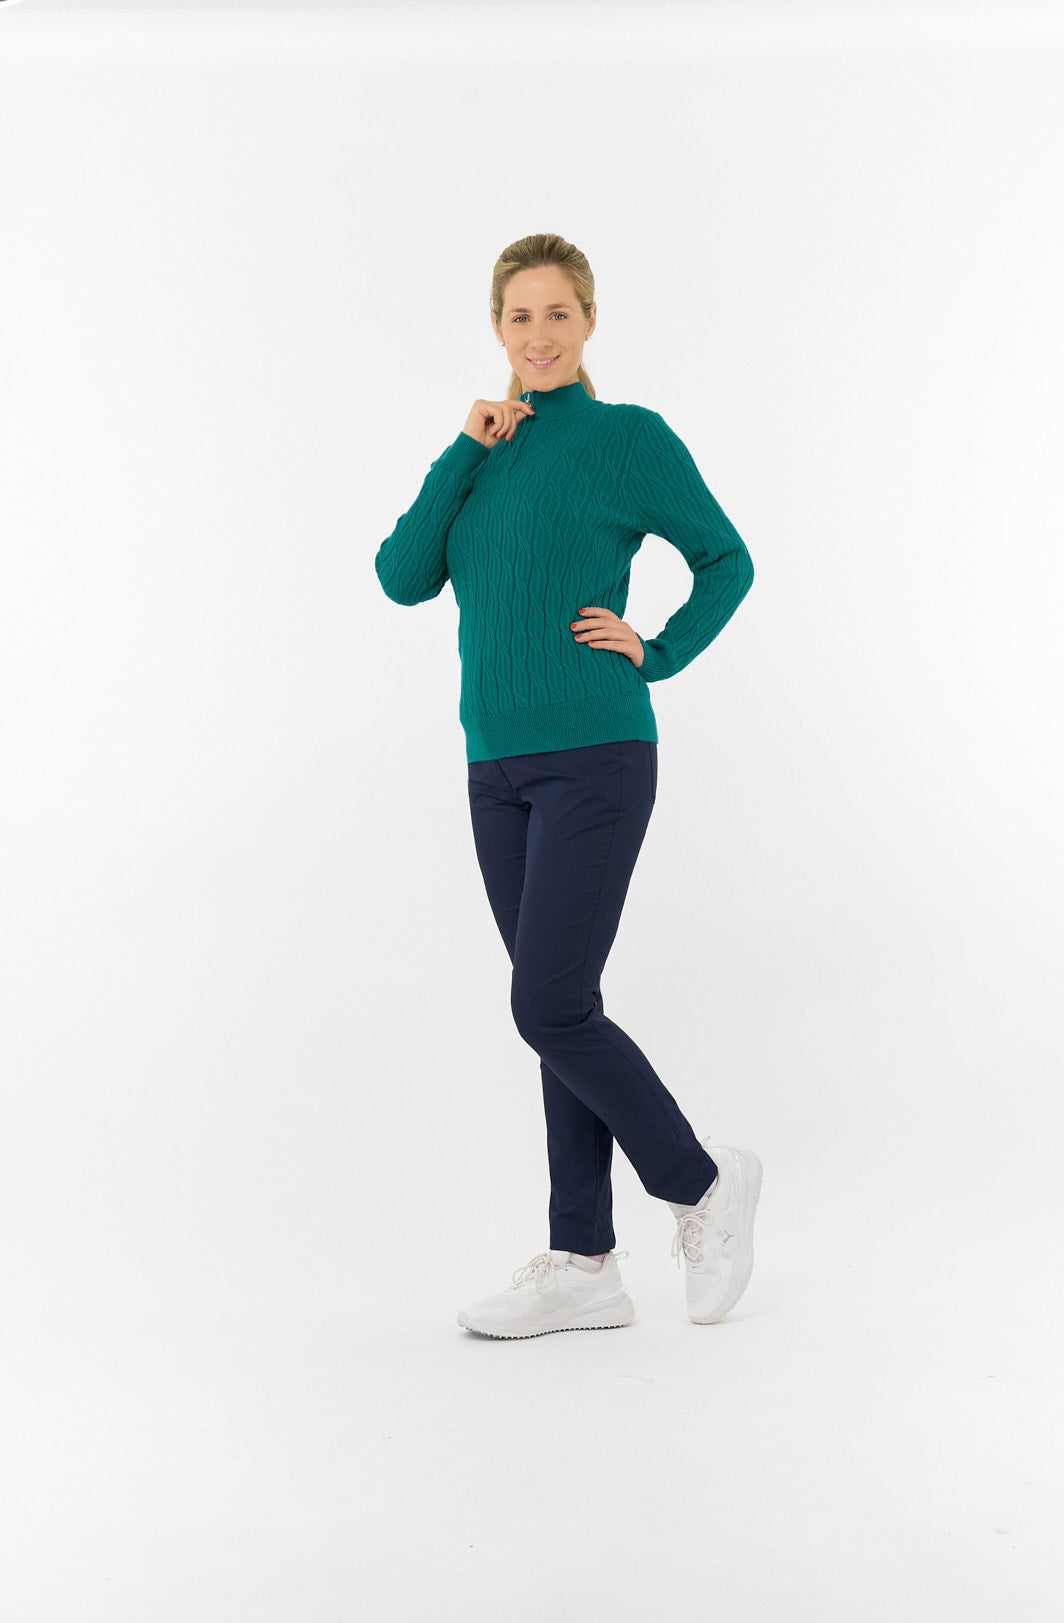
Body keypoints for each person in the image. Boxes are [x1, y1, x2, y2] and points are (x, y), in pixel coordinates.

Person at [374, 233, 762, 1338]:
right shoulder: (486, 450)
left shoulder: (628, 437)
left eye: (556, 314)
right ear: (495, 330)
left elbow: (725, 559)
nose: (537, 336)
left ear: (589, 321)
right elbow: (402, 577)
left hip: (596, 752)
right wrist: (463, 448)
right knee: (560, 1011)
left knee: (545, 1004)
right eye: (518, 317)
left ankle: (701, 1183)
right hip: (493, 765)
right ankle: (585, 1261)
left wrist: (658, 649)